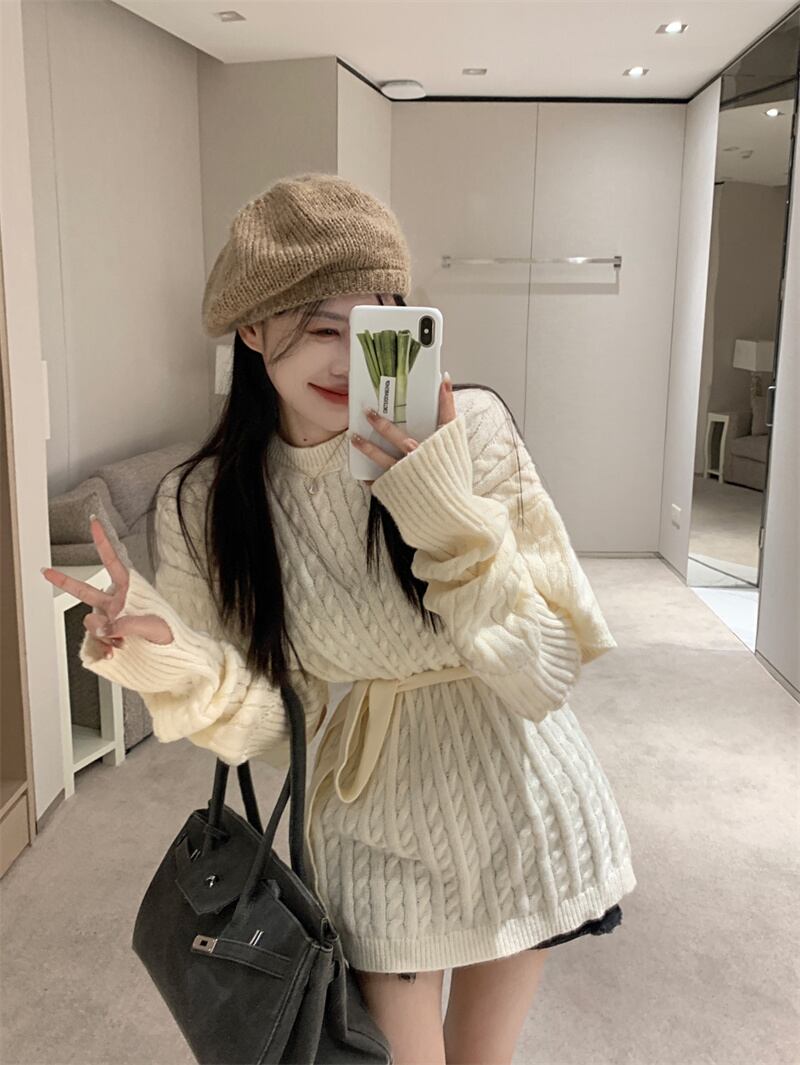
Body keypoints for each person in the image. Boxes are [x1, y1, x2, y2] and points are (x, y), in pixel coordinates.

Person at [41, 173, 636, 1065]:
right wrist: (171, 656)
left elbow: (544, 672)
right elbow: (276, 724)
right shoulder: (207, 503)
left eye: (377, 329)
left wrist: (438, 500)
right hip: (369, 821)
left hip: (516, 792)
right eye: (322, 329)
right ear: (253, 329)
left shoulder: (471, 431)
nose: (350, 361)